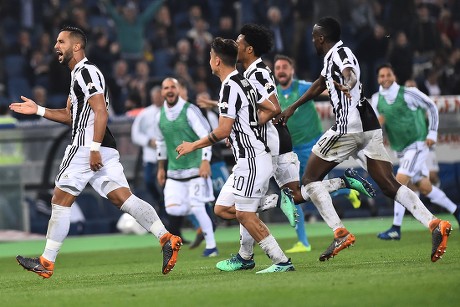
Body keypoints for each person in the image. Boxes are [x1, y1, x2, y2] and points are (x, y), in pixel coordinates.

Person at [9, 26, 182, 278]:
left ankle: (46, 262)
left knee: (59, 200)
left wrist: (92, 149)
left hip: (85, 146)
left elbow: (101, 111)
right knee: (123, 197)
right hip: (102, 146)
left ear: (76, 46)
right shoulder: (79, 75)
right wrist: (38, 110)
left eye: (61, 41)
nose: (56, 46)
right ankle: (166, 237)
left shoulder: (86, 72)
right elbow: (71, 115)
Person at [277, 17, 452, 263]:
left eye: (315, 37)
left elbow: (349, 74)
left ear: (321, 38)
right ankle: (434, 223)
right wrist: (293, 107)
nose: (313, 41)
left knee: (308, 180)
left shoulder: (340, 54)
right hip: (368, 126)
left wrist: (348, 84)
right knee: (389, 185)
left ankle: (340, 231)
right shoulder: (330, 60)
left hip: (348, 126)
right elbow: (319, 84)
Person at [176, 37, 295, 273]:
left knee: (244, 214)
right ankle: (275, 201)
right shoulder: (243, 81)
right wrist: (248, 124)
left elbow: (222, 130)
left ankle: (281, 261)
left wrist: (193, 145)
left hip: (252, 159)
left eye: (211, 56)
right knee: (221, 209)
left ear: (217, 60)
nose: (210, 61)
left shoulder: (229, 87)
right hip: (247, 159)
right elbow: (272, 107)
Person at [273, 54, 362, 253]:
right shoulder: (275, 94)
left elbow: (324, 88)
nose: (280, 70)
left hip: (312, 148)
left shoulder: (303, 87)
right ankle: (303, 242)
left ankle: (346, 190)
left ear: (291, 70)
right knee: (293, 193)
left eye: (284, 67)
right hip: (289, 151)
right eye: (277, 67)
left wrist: (342, 89)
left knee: (313, 189)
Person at [371, 64, 460, 240]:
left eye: (388, 74)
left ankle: (396, 227)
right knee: (425, 188)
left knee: (398, 183)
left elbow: (432, 106)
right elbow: (374, 125)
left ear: (394, 75)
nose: (385, 78)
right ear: (377, 79)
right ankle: (457, 210)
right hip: (401, 149)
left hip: (417, 145)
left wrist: (432, 132)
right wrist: (377, 123)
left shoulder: (408, 93)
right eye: (381, 76)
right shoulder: (376, 99)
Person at [154, 77, 218, 257]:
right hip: (174, 171)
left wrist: (205, 161)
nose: (169, 90)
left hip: (196, 168)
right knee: (173, 209)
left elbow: (207, 135)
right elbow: (160, 143)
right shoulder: (159, 116)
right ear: (162, 92)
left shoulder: (190, 110)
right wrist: (161, 168)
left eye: (172, 87)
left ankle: (211, 246)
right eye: (165, 88)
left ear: (178, 89)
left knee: (197, 206)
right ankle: (206, 219)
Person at [130, 86, 167, 222]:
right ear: (152, 98)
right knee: (149, 181)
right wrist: (147, 141)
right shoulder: (145, 113)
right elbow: (135, 134)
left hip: (167, 155)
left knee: (166, 185)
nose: (157, 98)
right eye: (155, 96)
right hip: (150, 156)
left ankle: (164, 211)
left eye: (159, 96)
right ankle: (159, 202)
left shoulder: (168, 111)